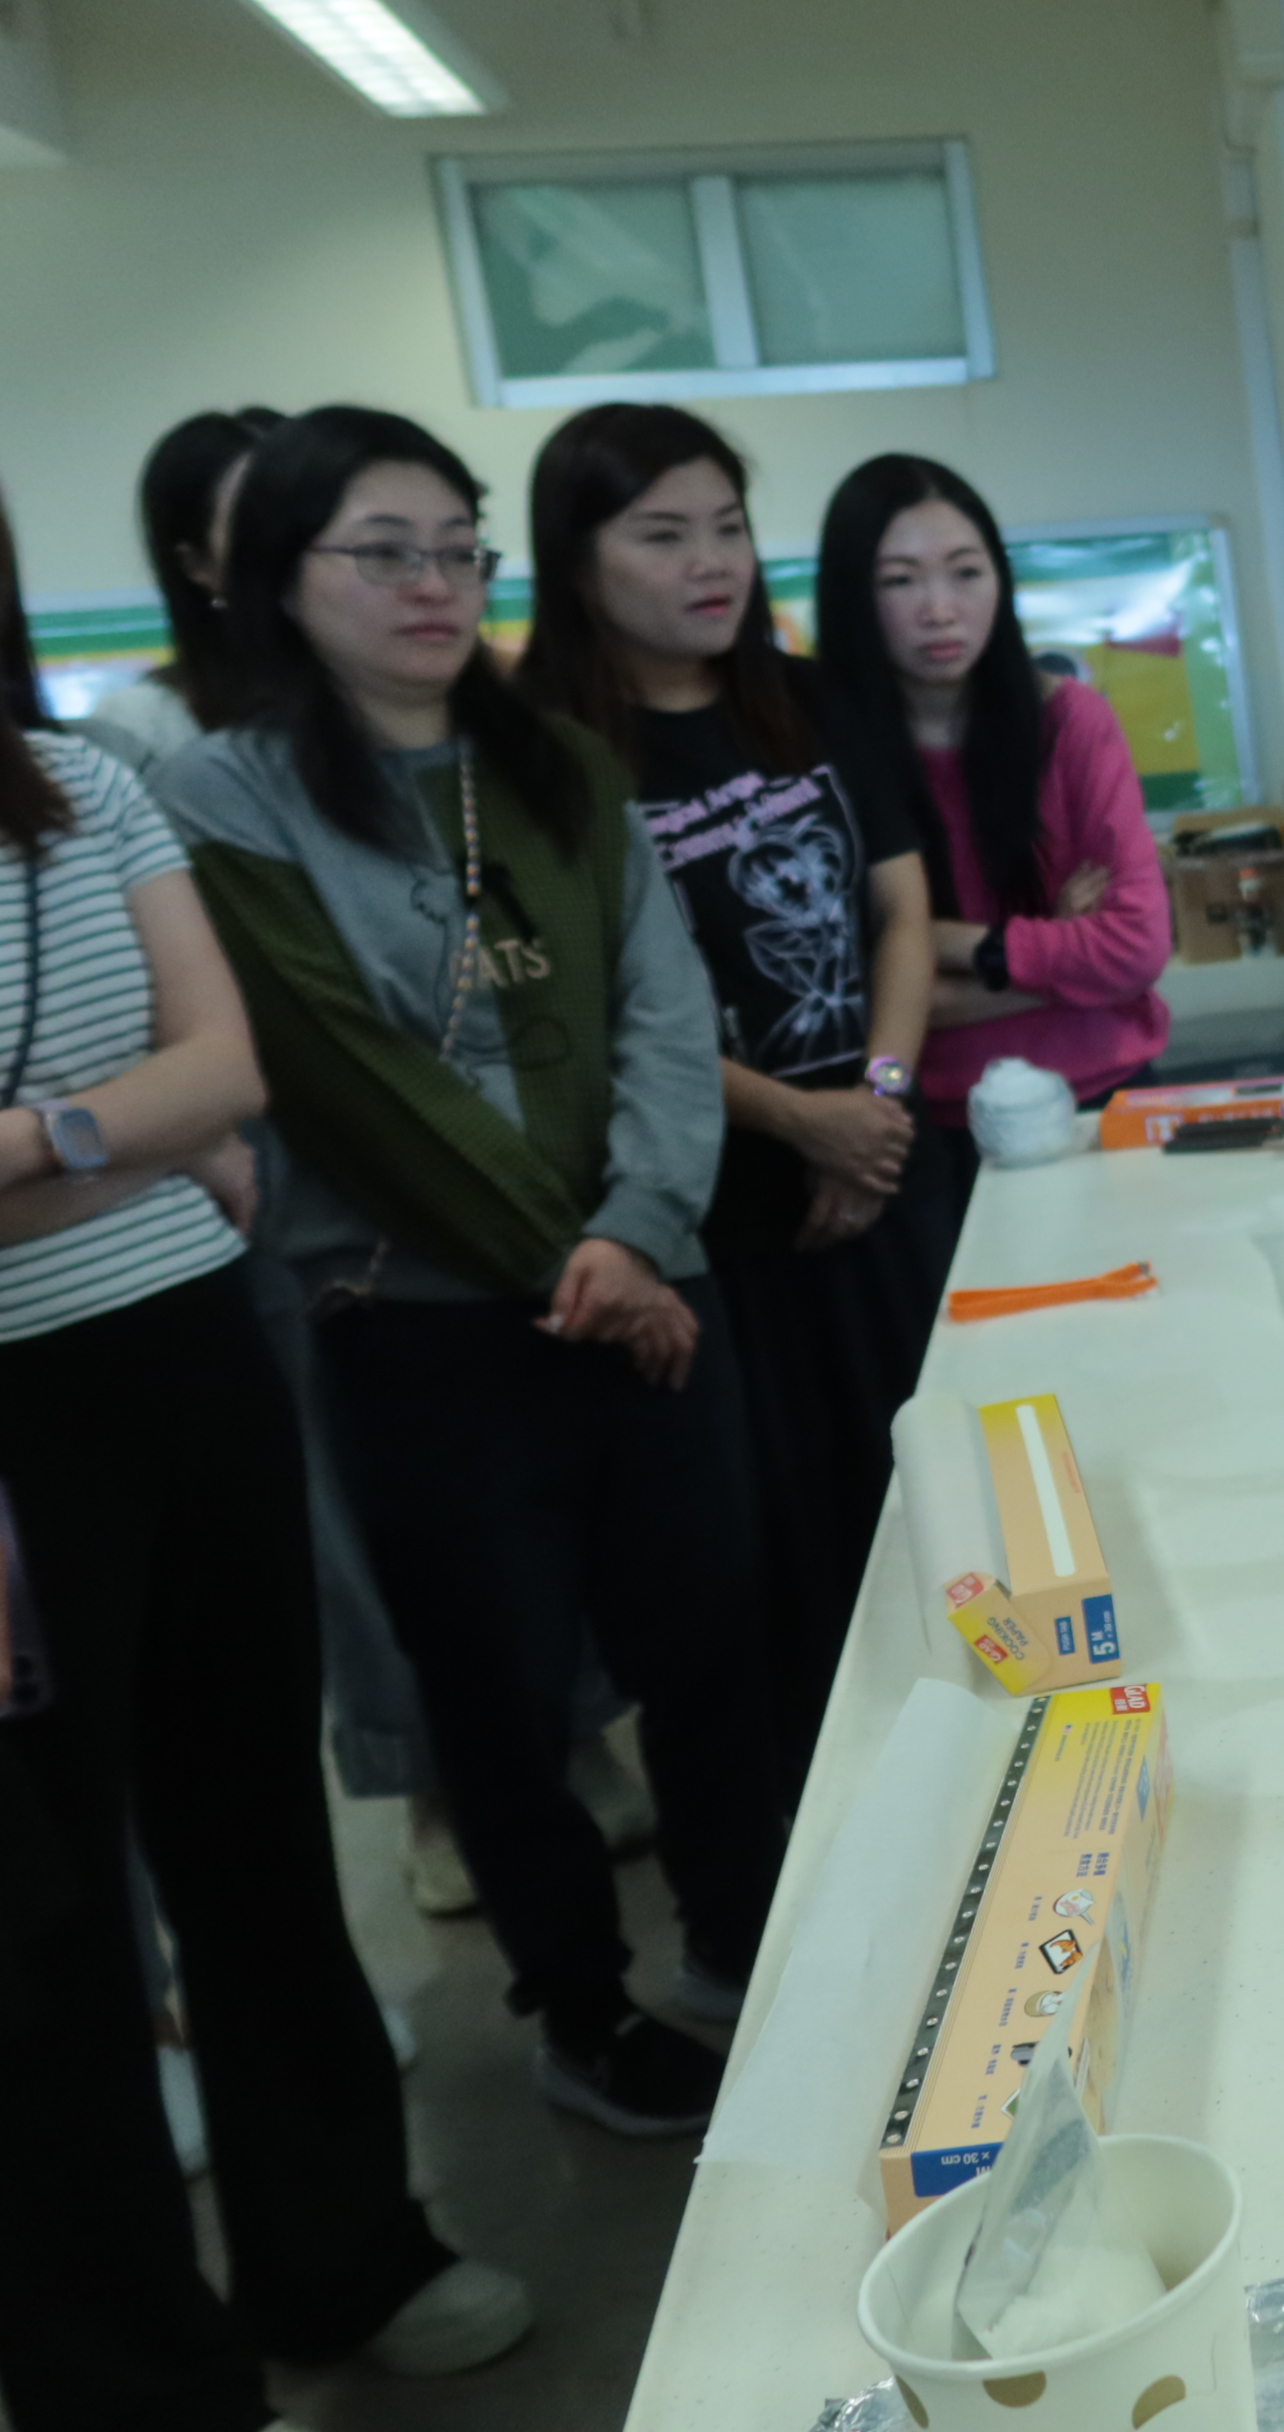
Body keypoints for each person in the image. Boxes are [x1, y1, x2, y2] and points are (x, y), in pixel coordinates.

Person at [156, 406, 794, 2134]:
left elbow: (664, 1008)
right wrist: (585, 1261)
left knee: (709, 1648)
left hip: (646, 1285)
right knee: (499, 1699)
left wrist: (637, 1232)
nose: (432, 584)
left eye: (457, 549)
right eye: (383, 553)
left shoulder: (558, 762)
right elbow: (346, 1074)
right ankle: (580, 2010)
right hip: (426, 1327)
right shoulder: (226, 794)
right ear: (279, 578)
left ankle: (745, 1946)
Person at [0, 486, 531, 2432]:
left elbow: (227, 1071)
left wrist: (38, 1142)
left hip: (178, 1353)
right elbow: (179, 1105)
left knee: (253, 1835)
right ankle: (135, 2379)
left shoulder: (77, 784)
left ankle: (343, 2249)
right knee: (43, 1928)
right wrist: (128, 1131)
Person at [515, 404, 944, 1760]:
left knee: (930, 1512)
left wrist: (876, 1103)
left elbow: (902, 913)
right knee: (767, 1570)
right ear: (576, 561)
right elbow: (591, 1012)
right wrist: (806, 1121)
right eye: (663, 535)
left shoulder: (806, 701)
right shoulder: (543, 756)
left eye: (729, 528)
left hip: (877, 1185)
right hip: (708, 1226)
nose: (711, 563)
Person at [813, 454, 1170, 1217]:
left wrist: (937, 945)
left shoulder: (1071, 721)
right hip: (919, 1132)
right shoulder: (820, 755)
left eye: (966, 573)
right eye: (900, 581)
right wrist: (1059, 951)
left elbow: (1138, 951)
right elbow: (848, 1007)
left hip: (1105, 1109)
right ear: (851, 594)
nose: (940, 609)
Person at [74, 407, 281, 776]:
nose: (290, 547)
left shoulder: (371, 693)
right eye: (252, 525)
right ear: (196, 564)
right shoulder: (143, 724)